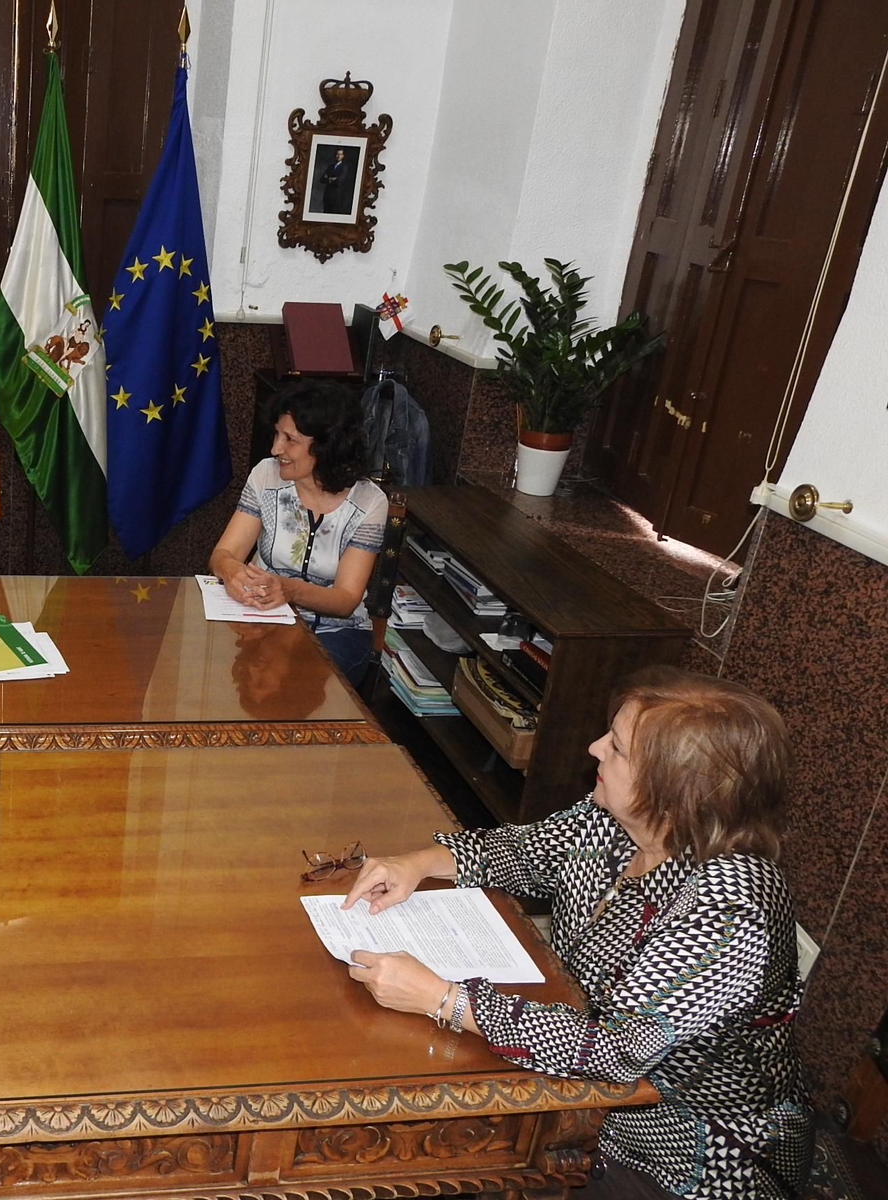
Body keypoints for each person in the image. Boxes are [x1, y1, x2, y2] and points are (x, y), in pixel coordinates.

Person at [340, 667, 813, 1199]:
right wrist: (420, 862)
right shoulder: (615, 817)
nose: (594, 749)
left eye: (617, 747)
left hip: (677, 1151)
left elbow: (617, 1052)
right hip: (570, 1063)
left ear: (676, 791)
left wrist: (441, 998)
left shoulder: (728, 908)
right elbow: (526, 851)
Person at [208, 378, 388, 679]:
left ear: (326, 445)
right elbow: (224, 553)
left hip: (336, 633)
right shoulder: (265, 475)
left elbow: (345, 600)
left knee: (298, 680)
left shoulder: (369, 502)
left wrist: (289, 590)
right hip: (259, 621)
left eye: (289, 439)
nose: (275, 448)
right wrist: (230, 571)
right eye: (277, 434)